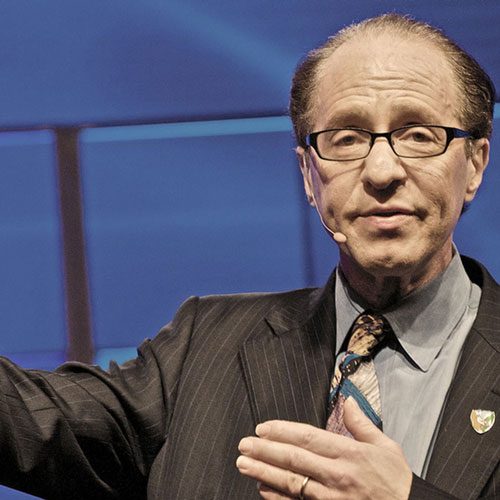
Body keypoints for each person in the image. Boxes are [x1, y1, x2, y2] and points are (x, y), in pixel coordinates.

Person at [0, 12, 497, 500]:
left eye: (418, 135)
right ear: (309, 175)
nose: (382, 171)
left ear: (475, 163)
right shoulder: (203, 347)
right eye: (346, 138)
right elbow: (28, 422)